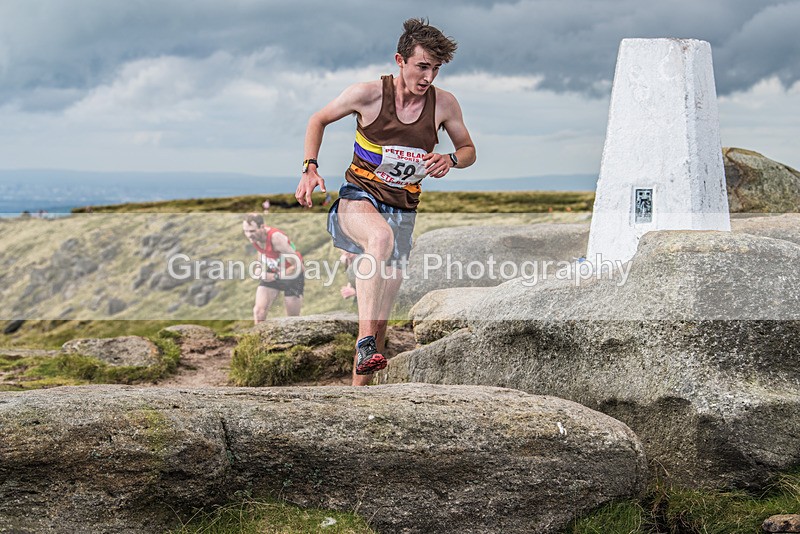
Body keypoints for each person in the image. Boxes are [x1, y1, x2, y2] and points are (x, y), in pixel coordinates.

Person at [295, 18, 476, 386]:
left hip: (403, 211)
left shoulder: (444, 105)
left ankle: (359, 403)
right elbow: (319, 119)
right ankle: (363, 341)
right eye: (422, 66)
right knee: (378, 240)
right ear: (400, 60)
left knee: (379, 321)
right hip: (358, 198)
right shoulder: (369, 94)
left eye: (436, 69)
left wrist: (451, 159)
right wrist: (309, 167)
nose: (428, 77)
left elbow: (468, 150)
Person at [242, 213, 304, 324]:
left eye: (252, 231)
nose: (248, 235)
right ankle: (258, 340)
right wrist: (259, 266)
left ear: (262, 227)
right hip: (275, 271)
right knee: (258, 312)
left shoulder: (276, 238)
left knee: (292, 320)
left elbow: (298, 265)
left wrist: (275, 276)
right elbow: (261, 251)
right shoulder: (255, 237)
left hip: (293, 275)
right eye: (245, 231)